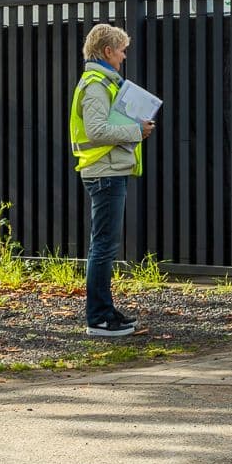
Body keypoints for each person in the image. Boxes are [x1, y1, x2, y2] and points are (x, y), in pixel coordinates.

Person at [70, 23, 155, 338]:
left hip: (107, 171)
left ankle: (104, 312)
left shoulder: (102, 82)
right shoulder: (96, 85)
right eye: (121, 50)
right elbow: (97, 131)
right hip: (104, 172)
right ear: (107, 51)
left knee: (103, 245)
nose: (123, 56)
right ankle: (99, 319)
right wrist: (136, 131)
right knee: (103, 247)